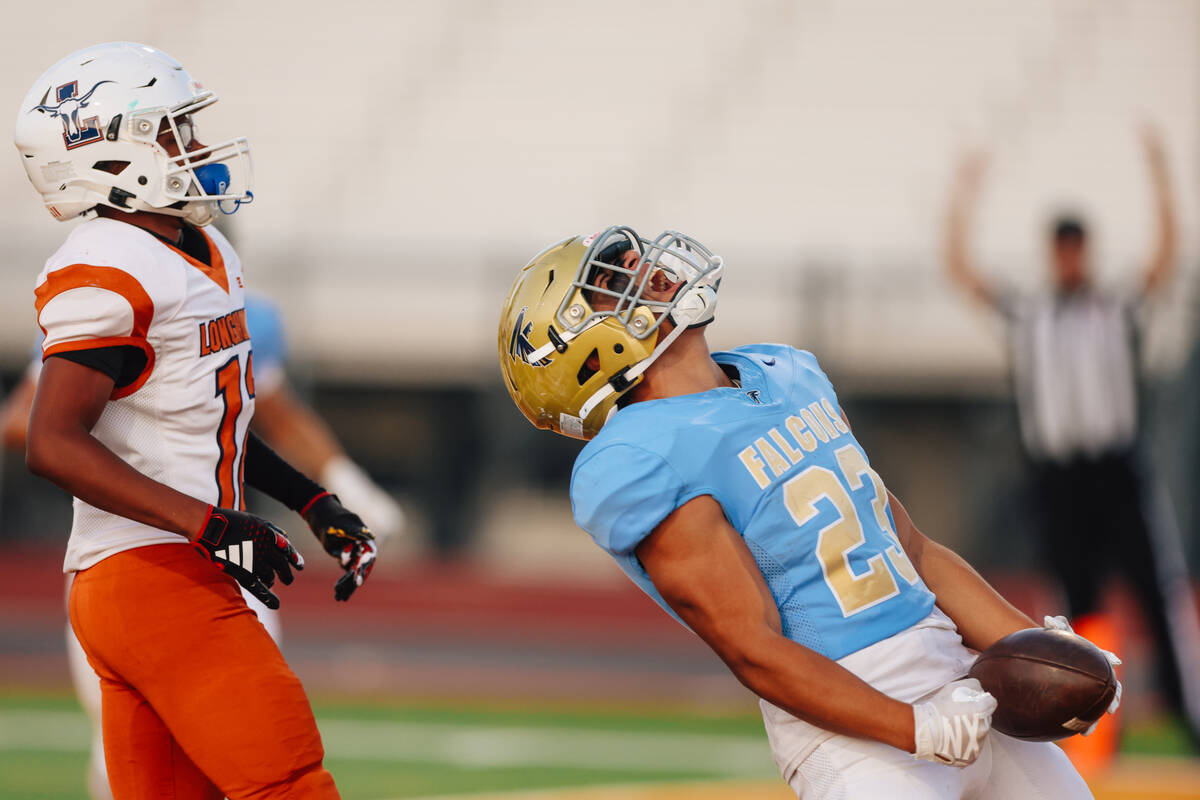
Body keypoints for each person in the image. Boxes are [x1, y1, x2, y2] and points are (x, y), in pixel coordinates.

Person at [497, 227, 1120, 798]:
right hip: (855, 730)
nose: (640, 262)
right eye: (610, 281)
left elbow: (914, 549)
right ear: (583, 351)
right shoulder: (640, 456)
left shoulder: (786, 372)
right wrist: (915, 727)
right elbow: (752, 646)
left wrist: (1039, 648)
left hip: (962, 675)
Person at [13, 42, 378, 798]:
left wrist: (314, 501)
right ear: (112, 159)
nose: (199, 147)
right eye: (175, 132)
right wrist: (209, 524)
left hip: (153, 573)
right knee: (290, 783)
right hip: (152, 575)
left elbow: (210, 418)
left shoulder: (201, 248)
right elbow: (50, 442)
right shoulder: (109, 262)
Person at [0, 292, 404, 800]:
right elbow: (39, 430)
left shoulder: (225, 291)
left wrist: (323, 497)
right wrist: (159, 470)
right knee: (266, 779)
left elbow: (236, 425)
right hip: (145, 559)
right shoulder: (108, 290)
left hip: (216, 564)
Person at [944, 132, 1200, 750]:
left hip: (1115, 471)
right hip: (1058, 479)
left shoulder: (1112, 307)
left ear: (1086, 253)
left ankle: (1185, 717)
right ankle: (1092, 726)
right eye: (1061, 253)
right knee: (1076, 607)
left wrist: (1161, 176)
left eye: (1076, 252)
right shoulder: (1031, 314)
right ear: (1052, 255)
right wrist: (965, 194)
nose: (1069, 263)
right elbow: (965, 275)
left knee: (1156, 595)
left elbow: (1163, 262)